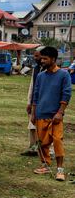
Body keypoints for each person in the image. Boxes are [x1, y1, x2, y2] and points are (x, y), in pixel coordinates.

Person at [31, 46, 72, 181]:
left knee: (57, 141)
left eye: (45, 58)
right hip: (40, 114)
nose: (42, 61)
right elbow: (36, 95)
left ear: (53, 59)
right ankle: (45, 164)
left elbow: (66, 94)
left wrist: (60, 112)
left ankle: (60, 170)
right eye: (41, 58)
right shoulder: (41, 76)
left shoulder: (64, 74)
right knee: (42, 143)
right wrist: (33, 113)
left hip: (55, 116)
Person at [21, 47, 44, 157]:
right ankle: (32, 148)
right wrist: (29, 102)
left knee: (46, 127)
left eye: (37, 56)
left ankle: (48, 151)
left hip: (45, 104)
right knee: (32, 125)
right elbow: (32, 86)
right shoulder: (36, 69)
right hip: (34, 102)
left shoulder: (51, 71)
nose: (35, 58)